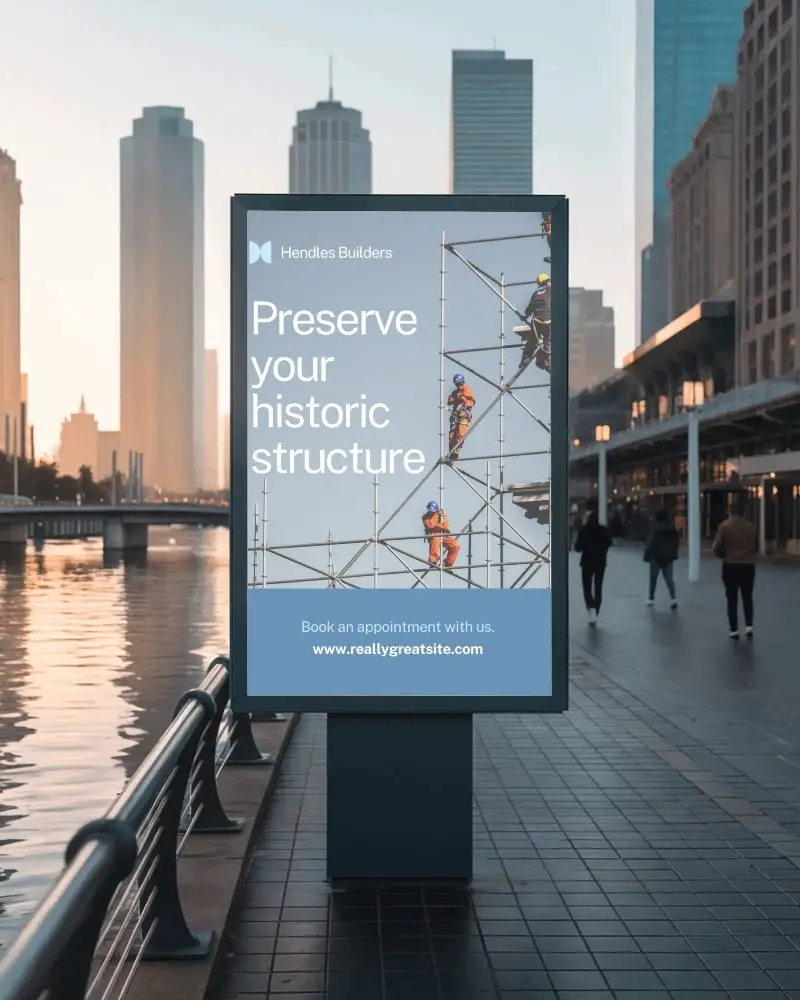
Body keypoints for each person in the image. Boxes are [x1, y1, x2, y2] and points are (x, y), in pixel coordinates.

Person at [712, 496, 758, 639]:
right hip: (748, 565)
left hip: (731, 564)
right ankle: (749, 626)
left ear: (730, 512)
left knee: (731, 597)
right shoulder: (751, 527)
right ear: (743, 512)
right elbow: (755, 546)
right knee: (747, 596)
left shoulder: (725, 526)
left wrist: (723, 555)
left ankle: (734, 629)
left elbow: (718, 547)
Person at [574, 498, 612, 625]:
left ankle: (591, 607)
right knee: (598, 586)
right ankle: (596, 608)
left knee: (587, 587)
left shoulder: (583, 530)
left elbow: (578, 547)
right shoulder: (603, 530)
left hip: (587, 562)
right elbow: (608, 543)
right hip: (601, 562)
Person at [643, 509, 679, 608]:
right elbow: (676, 541)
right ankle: (673, 599)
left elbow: (650, 540)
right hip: (668, 557)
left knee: (653, 579)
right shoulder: (671, 526)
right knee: (669, 579)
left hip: (656, 556)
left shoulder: (654, 526)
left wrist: (647, 553)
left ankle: (651, 598)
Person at [518, 274, 551, 372]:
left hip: (536, 321)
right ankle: (548, 364)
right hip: (549, 319)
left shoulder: (536, 293)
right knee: (549, 341)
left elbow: (530, 307)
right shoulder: (552, 291)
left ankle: (524, 361)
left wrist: (525, 316)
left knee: (532, 341)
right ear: (546, 281)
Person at [422, 501, 460, 568]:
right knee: (436, 540)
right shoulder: (425, 517)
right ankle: (432, 560)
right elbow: (429, 526)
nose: (431, 512)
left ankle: (448, 563)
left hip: (444, 534)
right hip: (434, 535)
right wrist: (439, 525)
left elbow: (445, 526)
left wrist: (439, 522)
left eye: (433, 511)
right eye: (430, 511)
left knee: (455, 546)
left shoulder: (442, 515)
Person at [446, 374, 476, 461]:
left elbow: (468, 401)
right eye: (456, 384)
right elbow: (449, 401)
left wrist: (461, 399)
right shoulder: (455, 392)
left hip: (463, 415)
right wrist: (459, 398)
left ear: (462, 382)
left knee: (461, 433)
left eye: (459, 384)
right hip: (455, 416)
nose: (458, 386)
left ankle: (457, 450)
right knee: (452, 434)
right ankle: (451, 453)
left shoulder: (467, 389)